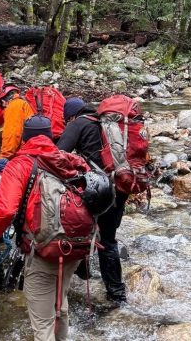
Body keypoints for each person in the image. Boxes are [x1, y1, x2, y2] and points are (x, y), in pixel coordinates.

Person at [0, 115, 90, 341]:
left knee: (42, 321)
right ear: (51, 135)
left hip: (43, 249)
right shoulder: (71, 160)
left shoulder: (19, 164)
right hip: (77, 245)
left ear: (24, 138)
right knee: (61, 303)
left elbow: (6, 210)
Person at [56, 97, 127, 303]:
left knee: (81, 231)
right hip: (121, 185)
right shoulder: (109, 124)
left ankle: (85, 273)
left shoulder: (78, 123)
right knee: (108, 238)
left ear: (71, 116)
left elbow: (59, 154)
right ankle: (116, 294)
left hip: (98, 189)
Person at [0, 84, 34, 159]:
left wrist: (3, 157)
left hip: (23, 153)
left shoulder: (13, 107)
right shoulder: (22, 102)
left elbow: (12, 134)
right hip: (30, 149)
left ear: (3, 101)